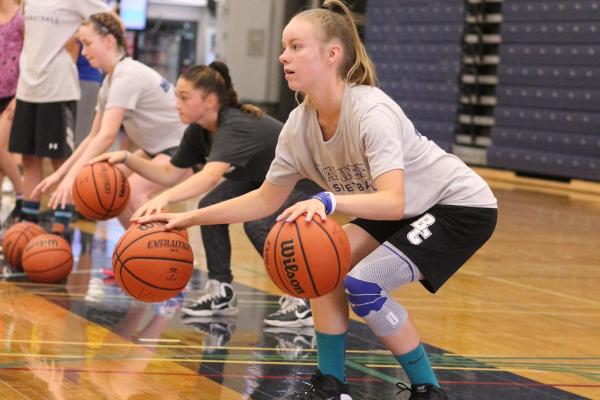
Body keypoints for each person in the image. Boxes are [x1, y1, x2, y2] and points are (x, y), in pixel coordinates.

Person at [135, 1, 498, 399]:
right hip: (404, 204)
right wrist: (187, 219)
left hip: (455, 205)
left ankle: (428, 390)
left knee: (363, 283)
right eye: (284, 47)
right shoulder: (298, 125)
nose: (282, 56)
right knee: (323, 269)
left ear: (332, 54)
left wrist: (327, 200)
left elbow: (393, 202)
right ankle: (331, 385)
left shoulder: (370, 111)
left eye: (295, 46)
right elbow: (263, 199)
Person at [89, 61, 317, 327]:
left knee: (258, 224)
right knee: (211, 207)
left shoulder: (234, 124)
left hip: (303, 178)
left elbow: (208, 176)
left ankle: (304, 297)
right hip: (263, 178)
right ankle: (221, 291)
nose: (177, 104)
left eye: (184, 97)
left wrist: (165, 197)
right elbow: (169, 173)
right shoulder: (198, 130)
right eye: (176, 96)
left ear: (210, 101)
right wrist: (127, 158)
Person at [32, 12, 187, 229]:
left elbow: (106, 136)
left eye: (87, 44)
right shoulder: (110, 82)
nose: (84, 52)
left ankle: (168, 253)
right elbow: (92, 137)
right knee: (111, 190)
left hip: (182, 149)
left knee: (131, 191)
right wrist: (60, 175)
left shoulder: (127, 75)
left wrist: (70, 180)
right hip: (155, 148)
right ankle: (136, 248)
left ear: (109, 41)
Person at [8, 0, 112, 235]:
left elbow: (112, 20)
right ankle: (28, 227)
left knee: (61, 162)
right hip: (27, 88)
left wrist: (105, 59)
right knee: (29, 160)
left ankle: (60, 232)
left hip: (57, 88)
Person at [0, 0, 24, 228]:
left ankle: (22, 195)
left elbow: (30, 56)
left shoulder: (21, 17)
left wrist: (20, 95)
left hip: (13, 95)